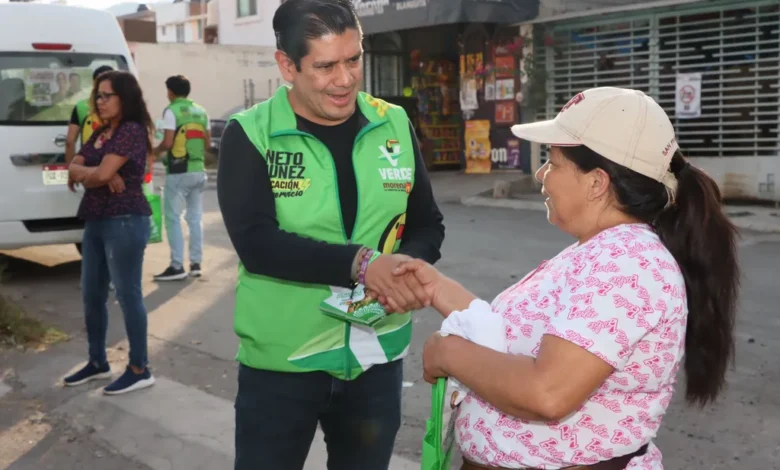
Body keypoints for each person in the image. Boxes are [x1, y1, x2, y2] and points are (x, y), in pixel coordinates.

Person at [390, 87, 740, 470]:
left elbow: (548, 392)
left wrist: (448, 354)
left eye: (553, 163)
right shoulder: (601, 250)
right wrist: (435, 286)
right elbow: (508, 338)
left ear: (596, 183)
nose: (541, 175)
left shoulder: (628, 263)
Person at [216, 1, 445, 468]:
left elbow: (426, 224)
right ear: (287, 65)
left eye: (353, 59)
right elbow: (258, 244)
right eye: (325, 66)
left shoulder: (393, 123)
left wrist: (403, 270)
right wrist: (364, 264)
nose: (345, 79)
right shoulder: (252, 134)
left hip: (374, 359)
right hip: (282, 366)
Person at [64, 70, 156, 395]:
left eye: (107, 95)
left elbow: (94, 171)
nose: (99, 101)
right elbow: (73, 169)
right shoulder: (103, 132)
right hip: (96, 218)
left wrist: (100, 173)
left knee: (128, 294)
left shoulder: (131, 130)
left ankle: (140, 368)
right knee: (91, 293)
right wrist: (99, 174)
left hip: (125, 219)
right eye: (98, 95)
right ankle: (97, 362)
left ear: (124, 98)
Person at [153, 75, 210, 281]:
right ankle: (196, 264)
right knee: (195, 218)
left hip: (178, 171)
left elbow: (167, 142)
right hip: (198, 169)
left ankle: (176, 266)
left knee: (173, 218)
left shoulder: (171, 111)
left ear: (171, 92)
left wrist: (154, 151)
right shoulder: (201, 111)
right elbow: (206, 142)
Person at [65, 65, 113, 164]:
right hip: (114, 166)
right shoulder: (122, 106)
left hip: (88, 166)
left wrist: (72, 170)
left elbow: (70, 141)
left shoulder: (81, 107)